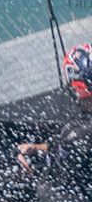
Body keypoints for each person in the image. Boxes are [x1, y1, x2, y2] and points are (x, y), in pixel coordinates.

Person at [16, 44, 92, 180]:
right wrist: (38, 148)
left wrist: (30, 162)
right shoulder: (80, 131)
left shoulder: (80, 132)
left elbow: (55, 172)